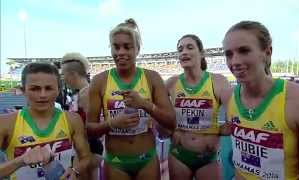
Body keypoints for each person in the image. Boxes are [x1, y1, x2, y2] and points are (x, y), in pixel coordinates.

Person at [222, 20, 299, 179]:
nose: (235, 62)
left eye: (244, 51)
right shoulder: (228, 97)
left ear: (267, 52)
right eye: (229, 54)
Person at [86, 18, 176, 180]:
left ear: (137, 49)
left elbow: (171, 122)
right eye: (116, 47)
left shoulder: (152, 78)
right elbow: (89, 130)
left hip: (146, 160)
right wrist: (112, 123)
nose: (121, 52)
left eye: (127, 47)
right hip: (116, 162)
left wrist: (145, 104)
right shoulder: (99, 81)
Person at [0, 63, 91, 179]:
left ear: (58, 90)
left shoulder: (72, 119)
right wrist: (21, 161)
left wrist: (75, 170)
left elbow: (86, 157)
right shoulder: (6, 123)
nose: (42, 95)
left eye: (48, 88)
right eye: (35, 89)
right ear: (23, 90)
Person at [165, 34, 231, 180]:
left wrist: (223, 128)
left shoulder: (218, 81)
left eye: (190, 47)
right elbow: (154, 106)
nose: (184, 52)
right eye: (180, 49)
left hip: (208, 157)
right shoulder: (172, 83)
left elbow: (237, 112)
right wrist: (164, 126)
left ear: (201, 53)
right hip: (179, 155)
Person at [61, 52, 104, 179]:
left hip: (88, 147)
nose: (63, 78)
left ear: (73, 74)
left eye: (64, 75)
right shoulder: (83, 92)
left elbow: (91, 125)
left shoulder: (86, 93)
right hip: (86, 146)